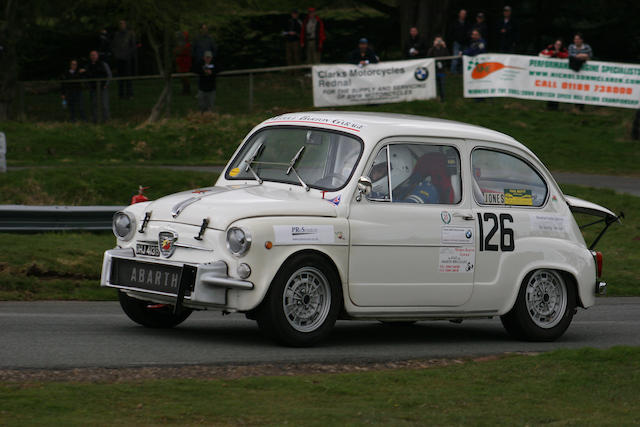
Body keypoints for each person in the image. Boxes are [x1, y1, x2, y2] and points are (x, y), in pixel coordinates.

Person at [540, 39, 568, 110]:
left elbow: (567, 56)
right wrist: (552, 53)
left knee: (557, 89)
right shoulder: (550, 48)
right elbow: (541, 54)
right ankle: (549, 106)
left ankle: (555, 106)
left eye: (559, 45)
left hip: (560, 74)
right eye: (556, 44)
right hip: (550, 73)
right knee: (550, 89)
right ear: (554, 44)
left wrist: (558, 53)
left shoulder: (564, 50)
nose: (557, 46)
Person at [83, 50, 111, 123]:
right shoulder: (88, 66)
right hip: (93, 89)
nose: (93, 56)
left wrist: (106, 85)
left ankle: (106, 120)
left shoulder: (103, 64)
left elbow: (109, 75)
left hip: (103, 88)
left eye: (94, 55)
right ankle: (95, 120)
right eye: (92, 55)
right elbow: (86, 77)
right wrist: (88, 85)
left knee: (104, 105)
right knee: (94, 105)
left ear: (97, 56)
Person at [111, 20, 136, 99]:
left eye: (123, 24)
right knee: (120, 77)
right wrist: (116, 54)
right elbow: (114, 45)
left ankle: (130, 94)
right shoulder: (117, 34)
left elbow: (133, 46)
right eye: (120, 24)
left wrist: (129, 54)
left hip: (127, 58)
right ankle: (121, 94)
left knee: (128, 76)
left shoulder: (130, 34)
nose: (122, 25)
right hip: (119, 58)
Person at [568, 33, 593, 111]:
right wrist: (582, 55)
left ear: (582, 40)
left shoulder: (587, 47)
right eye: (575, 39)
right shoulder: (571, 46)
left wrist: (579, 56)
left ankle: (581, 106)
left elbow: (590, 55)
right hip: (573, 72)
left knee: (582, 88)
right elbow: (570, 55)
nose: (576, 41)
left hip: (584, 73)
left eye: (578, 39)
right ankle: (575, 106)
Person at [427, 36, 450, 102]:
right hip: (434, 70)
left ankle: (442, 98)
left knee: (442, 84)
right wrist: (434, 46)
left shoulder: (443, 49)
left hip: (441, 70)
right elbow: (428, 56)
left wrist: (445, 46)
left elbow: (448, 57)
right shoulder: (432, 49)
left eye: (440, 40)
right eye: (437, 40)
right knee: (434, 84)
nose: (439, 42)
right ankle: (434, 97)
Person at [449, 9, 468, 74]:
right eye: (462, 13)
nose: (463, 15)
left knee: (464, 57)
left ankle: (462, 72)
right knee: (456, 57)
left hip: (465, 43)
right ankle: (453, 71)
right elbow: (451, 32)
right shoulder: (454, 23)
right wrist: (454, 40)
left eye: (464, 14)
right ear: (459, 14)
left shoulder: (467, 23)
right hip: (457, 43)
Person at [174, 31, 192, 95]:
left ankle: (187, 90)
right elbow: (176, 51)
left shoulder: (187, 45)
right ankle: (184, 90)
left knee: (185, 77)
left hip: (185, 63)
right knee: (182, 77)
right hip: (180, 63)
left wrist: (178, 52)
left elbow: (180, 52)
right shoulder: (180, 44)